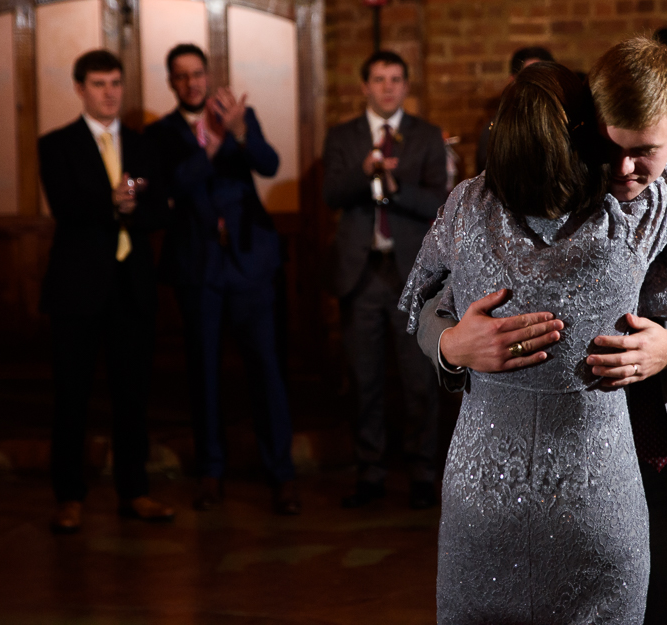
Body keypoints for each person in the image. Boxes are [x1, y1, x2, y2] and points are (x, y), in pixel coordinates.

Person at [400, 45, 667, 624]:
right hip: (582, 490)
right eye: (609, 149)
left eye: (645, 152)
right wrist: (450, 344)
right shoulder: (549, 200)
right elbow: (431, 308)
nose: (623, 171)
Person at [145, 44, 299, 515]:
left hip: (250, 262)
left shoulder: (236, 115)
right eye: (182, 77)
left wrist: (238, 131)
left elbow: (269, 164)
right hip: (198, 267)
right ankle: (210, 474)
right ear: (171, 83)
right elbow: (169, 189)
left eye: (198, 74)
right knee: (204, 372)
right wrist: (209, 145)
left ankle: (281, 476)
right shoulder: (161, 133)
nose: (192, 83)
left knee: (266, 369)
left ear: (208, 76)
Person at [38, 49, 173, 533]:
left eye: (116, 82)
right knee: (71, 395)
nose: (109, 92)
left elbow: (161, 210)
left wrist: (134, 210)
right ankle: (69, 497)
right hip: (77, 287)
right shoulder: (56, 145)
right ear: (79, 88)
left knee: (132, 395)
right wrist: (111, 203)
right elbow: (65, 206)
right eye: (99, 84)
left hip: (131, 286)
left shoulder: (142, 146)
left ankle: (134, 491)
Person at [323, 50, 448, 510]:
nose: (388, 87)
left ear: (406, 85)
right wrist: (365, 175)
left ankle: (421, 474)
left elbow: (441, 200)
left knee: (419, 379)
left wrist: (396, 189)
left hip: (411, 274)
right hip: (362, 273)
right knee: (364, 380)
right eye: (379, 79)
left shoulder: (426, 136)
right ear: (365, 86)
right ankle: (370, 473)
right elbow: (330, 193)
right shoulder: (344, 136)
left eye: (396, 79)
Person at [475, 46, 554, 173]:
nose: (538, 85)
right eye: (530, 77)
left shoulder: (563, 124)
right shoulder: (496, 131)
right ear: (513, 81)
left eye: (544, 77)